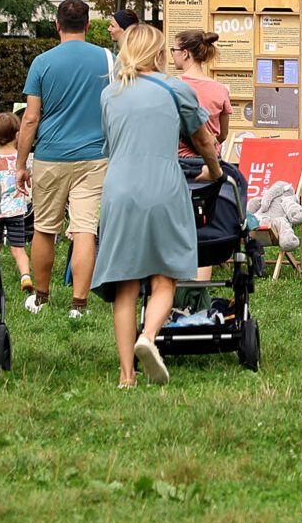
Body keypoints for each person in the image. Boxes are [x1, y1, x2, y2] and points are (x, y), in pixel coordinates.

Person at [90, 23, 221, 388]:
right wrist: (213, 173)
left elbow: (110, 142)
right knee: (166, 275)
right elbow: (204, 139)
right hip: (164, 185)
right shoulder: (175, 87)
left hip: (119, 189)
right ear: (159, 53)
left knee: (125, 284)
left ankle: (126, 374)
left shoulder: (110, 93)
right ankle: (148, 337)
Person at [18, 0, 113, 318]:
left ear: (57, 25)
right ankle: (79, 305)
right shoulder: (108, 59)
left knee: (45, 228)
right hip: (96, 156)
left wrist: (20, 164)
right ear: (88, 25)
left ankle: (42, 299)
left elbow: (30, 118)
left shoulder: (42, 62)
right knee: (85, 228)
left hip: (51, 155)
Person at [0, 110, 32, 291]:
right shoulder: (22, 159)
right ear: (17, 134)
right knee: (18, 248)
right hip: (17, 211)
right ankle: (25, 277)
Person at [167, 30, 230, 151]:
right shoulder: (221, 89)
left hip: (181, 161)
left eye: (174, 50)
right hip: (211, 162)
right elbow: (223, 135)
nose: (173, 54)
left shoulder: (173, 86)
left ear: (185, 53)